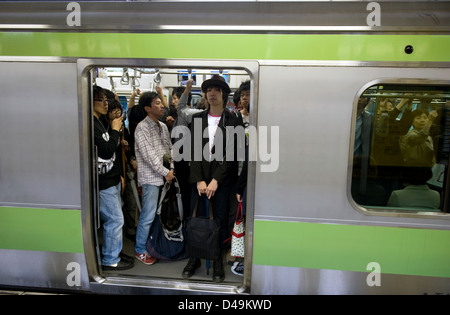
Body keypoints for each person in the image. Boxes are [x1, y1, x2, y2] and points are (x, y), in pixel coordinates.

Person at [182, 75, 244, 283]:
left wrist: (216, 180)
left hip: (222, 182)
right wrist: (199, 180)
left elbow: (231, 155)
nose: (212, 93)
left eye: (217, 89)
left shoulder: (233, 120)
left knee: (218, 220)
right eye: (209, 90)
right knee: (196, 217)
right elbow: (193, 152)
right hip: (199, 181)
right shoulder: (197, 119)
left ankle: (217, 258)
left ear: (224, 95)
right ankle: (194, 257)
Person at [93, 86, 134, 271]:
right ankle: (110, 258)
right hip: (102, 182)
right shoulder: (91, 124)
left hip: (112, 177)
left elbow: (113, 153)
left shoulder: (101, 121)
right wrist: (117, 130)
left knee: (116, 217)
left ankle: (113, 250)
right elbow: (106, 150)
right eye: (101, 100)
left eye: (106, 100)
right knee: (115, 219)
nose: (106, 104)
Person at [134, 91, 175, 265]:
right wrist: (165, 172)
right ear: (147, 108)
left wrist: (171, 169)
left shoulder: (163, 127)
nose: (162, 106)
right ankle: (140, 249)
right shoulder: (142, 128)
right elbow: (148, 155)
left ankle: (153, 243)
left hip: (165, 177)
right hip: (151, 178)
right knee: (148, 215)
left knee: (159, 214)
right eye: (157, 103)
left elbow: (169, 150)